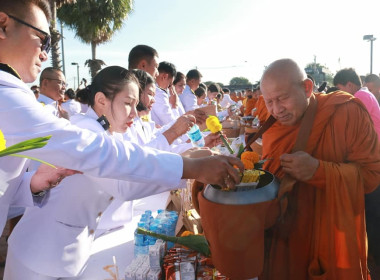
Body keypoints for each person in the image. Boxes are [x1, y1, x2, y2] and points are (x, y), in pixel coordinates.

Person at [0, 0, 243, 237]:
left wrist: (31, 183)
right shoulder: (8, 95)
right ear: (3, 25)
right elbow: (107, 162)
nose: (44, 54)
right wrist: (189, 165)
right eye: (42, 38)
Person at [5, 66, 200, 279]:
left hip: (67, 252)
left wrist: (186, 158)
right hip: (39, 255)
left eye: (135, 105)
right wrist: (187, 168)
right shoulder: (86, 130)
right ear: (101, 100)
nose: (134, 113)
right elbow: (123, 184)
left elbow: (139, 157)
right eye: (127, 104)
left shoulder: (106, 131)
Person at [259, 58, 380, 279]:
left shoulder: (346, 111)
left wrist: (319, 172)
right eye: (269, 102)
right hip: (286, 237)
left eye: (282, 98)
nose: (276, 109)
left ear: (307, 88)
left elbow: (372, 176)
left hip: (332, 235)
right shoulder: (273, 123)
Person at [333, 68, 380, 138]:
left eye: (339, 89)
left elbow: (352, 124)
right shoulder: (364, 94)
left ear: (349, 85)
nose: (338, 92)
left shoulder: (361, 95)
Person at [150, 61, 178, 126]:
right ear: (164, 77)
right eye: (170, 84)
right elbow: (172, 124)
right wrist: (174, 105)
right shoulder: (159, 93)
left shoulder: (153, 90)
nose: (169, 88)